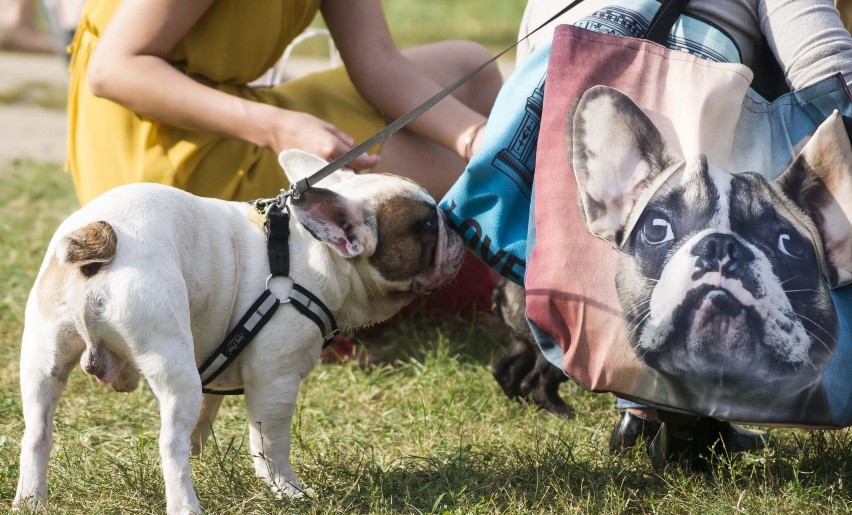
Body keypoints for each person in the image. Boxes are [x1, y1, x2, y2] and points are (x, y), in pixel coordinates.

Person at [482, 0, 852, 464]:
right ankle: (680, 412)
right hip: (685, 92)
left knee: (660, 226)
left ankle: (643, 406)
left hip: (577, 108)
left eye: (781, 240)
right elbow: (823, 66)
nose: (722, 262)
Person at [66, 0, 502, 206]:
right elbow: (114, 71)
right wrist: (276, 127)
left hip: (238, 109)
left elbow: (378, 62)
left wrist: (474, 137)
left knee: (469, 67)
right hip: (162, 150)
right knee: (459, 174)